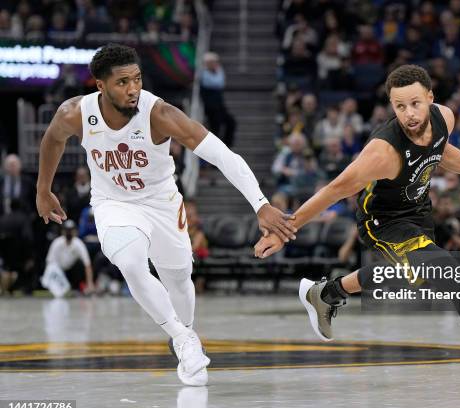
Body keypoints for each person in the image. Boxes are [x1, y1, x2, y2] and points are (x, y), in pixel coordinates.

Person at [255, 65, 460, 397]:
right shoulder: (382, 152)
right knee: (452, 276)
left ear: (430, 98)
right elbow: (335, 189)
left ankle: (326, 293)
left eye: (415, 103)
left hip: (417, 212)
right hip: (382, 222)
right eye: (400, 106)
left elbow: (441, 151)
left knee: (405, 274)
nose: (409, 114)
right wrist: (286, 228)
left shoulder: (445, 118)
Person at [35, 44, 296, 386]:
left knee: (179, 282)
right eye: (123, 82)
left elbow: (221, 154)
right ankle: (183, 338)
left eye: (137, 79)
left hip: (162, 203)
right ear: (100, 85)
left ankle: (184, 331)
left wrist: (260, 203)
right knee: (130, 263)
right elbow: (53, 140)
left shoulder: (158, 113)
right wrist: (43, 189)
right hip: (114, 204)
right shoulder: (75, 113)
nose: (133, 89)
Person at [43, 219, 95, 296]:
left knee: (79, 264)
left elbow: (87, 265)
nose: (69, 233)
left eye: (71, 230)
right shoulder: (57, 243)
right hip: (59, 272)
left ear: (75, 231)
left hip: (72, 272)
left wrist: (90, 284)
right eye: (67, 230)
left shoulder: (78, 244)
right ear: (63, 231)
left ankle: (77, 287)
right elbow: (50, 263)